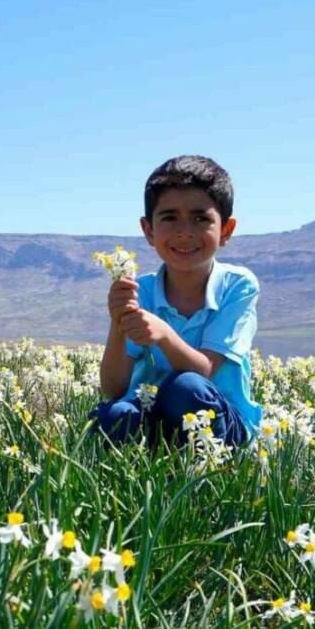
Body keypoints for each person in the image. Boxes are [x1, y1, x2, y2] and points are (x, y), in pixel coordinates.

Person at [93, 155, 262, 447]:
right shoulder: (141, 290)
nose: (185, 232)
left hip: (220, 425)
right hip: (154, 414)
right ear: (148, 230)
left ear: (226, 230)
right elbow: (113, 388)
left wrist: (164, 335)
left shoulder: (238, 287)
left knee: (186, 388)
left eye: (201, 218)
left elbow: (204, 371)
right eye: (170, 218)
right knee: (116, 415)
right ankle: (139, 482)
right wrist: (118, 324)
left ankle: (208, 473)